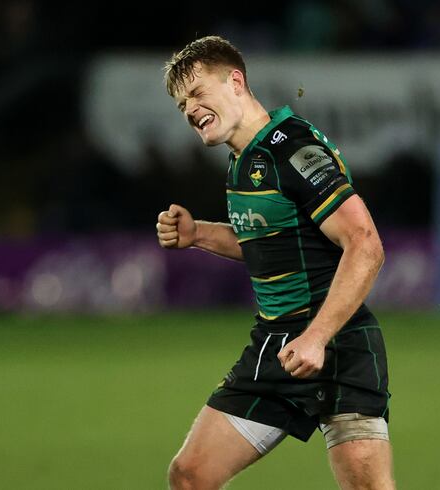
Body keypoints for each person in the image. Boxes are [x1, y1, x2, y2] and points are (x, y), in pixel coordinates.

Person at [156, 35, 394, 489]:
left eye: (197, 92)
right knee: (190, 475)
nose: (189, 109)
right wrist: (198, 234)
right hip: (275, 346)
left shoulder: (291, 148)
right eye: (181, 104)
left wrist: (316, 337)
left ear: (236, 81)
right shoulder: (243, 160)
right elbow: (275, 244)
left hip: (338, 345)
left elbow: (365, 243)